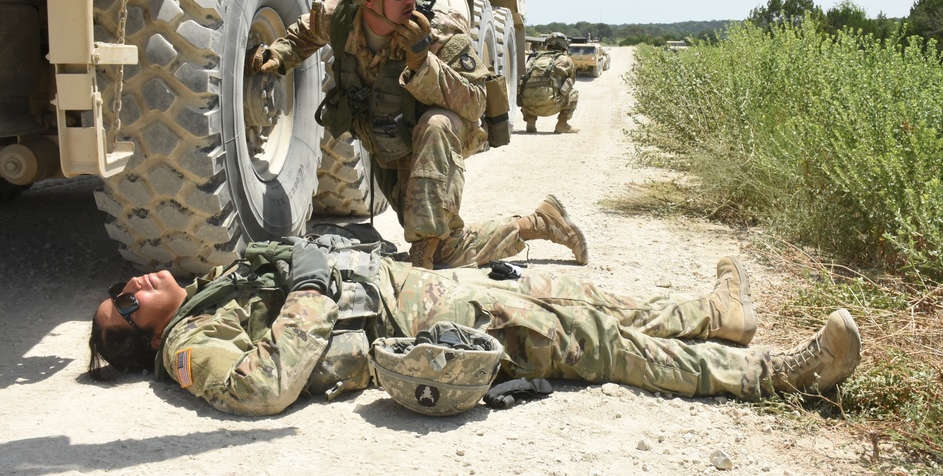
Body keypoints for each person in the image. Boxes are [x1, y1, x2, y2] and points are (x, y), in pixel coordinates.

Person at [89, 237, 862, 417]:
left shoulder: (203, 291)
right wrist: (313, 283)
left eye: (120, 285)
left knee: (578, 289)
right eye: (125, 304)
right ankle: (778, 373)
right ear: (146, 340)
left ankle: (722, 316)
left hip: (413, 285)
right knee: (591, 339)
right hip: (409, 323)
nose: (135, 285)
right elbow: (263, 386)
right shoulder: (189, 347)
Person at [247, 0, 586, 268]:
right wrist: (279, 55)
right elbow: (307, 31)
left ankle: (456, 241)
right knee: (447, 250)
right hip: (392, 143)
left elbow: (475, 103)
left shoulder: (437, 32)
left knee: (432, 220)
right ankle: (540, 221)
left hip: (441, 137)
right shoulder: (341, 17)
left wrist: (423, 64)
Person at [518, 32, 579, 134]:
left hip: (529, 106)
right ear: (564, 46)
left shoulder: (534, 58)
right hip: (552, 105)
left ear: (547, 44)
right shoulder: (566, 60)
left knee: (527, 89)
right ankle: (562, 125)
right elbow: (571, 81)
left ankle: (530, 122)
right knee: (574, 92)